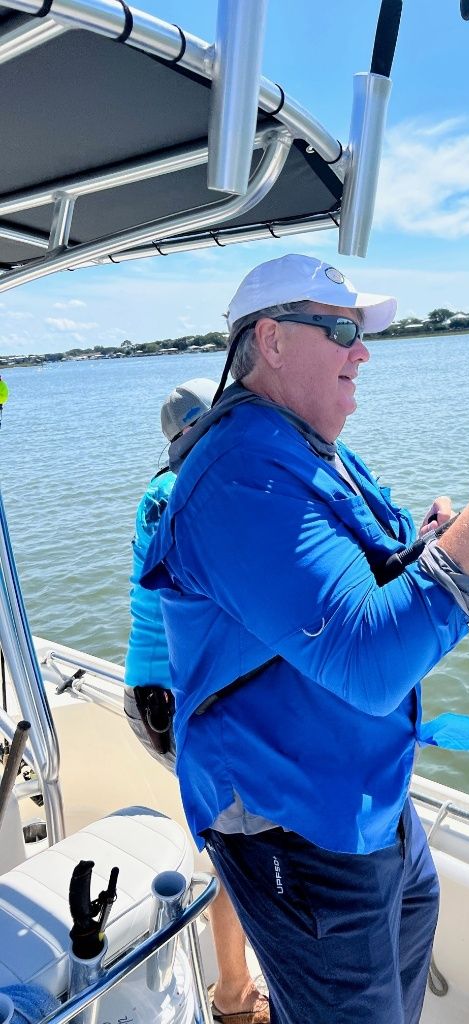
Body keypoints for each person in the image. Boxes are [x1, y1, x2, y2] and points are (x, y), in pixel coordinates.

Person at [140, 254, 469, 1024]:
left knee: (397, 970)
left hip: (366, 789)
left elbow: (367, 572)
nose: (364, 351)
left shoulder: (316, 449)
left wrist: (435, 543)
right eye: (344, 330)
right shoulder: (236, 478)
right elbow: (366, 660)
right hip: (293, 820)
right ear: (274, 340)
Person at [124, 377, 270, 1024]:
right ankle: (234, 997)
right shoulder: (178, 493)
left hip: (160, 693)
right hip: (176, 702)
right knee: (238, 843)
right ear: (198, 433)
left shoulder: (166, 488)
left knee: (237, 831)